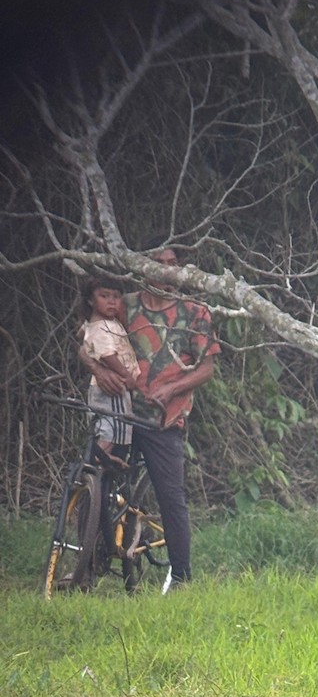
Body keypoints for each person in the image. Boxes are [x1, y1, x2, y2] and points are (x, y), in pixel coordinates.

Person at [80, 245, 219, 589]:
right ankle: (85, 567)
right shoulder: (122, 304)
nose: (165, 270)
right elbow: (86, 339)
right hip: (120, 412)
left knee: (171, 497)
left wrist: (173, 389)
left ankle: (182, 577)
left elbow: (207, 369)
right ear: (143, 267)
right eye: (157, 263)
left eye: (172, 264)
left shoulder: (195, 312)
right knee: (94, 481)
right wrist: (98, 369)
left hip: (163, 419)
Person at [80, 277, 140, 464]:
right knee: (116, 422)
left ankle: (98, 457)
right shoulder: (101, 327)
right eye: (104, 296)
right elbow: (108, 356)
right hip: (113, 387)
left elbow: (82, 335)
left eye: (116, 296)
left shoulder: (100, 323)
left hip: (103, 386)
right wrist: (126, 376)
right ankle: (103, 455)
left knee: (104, 422)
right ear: (91, 300)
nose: (111, 301)